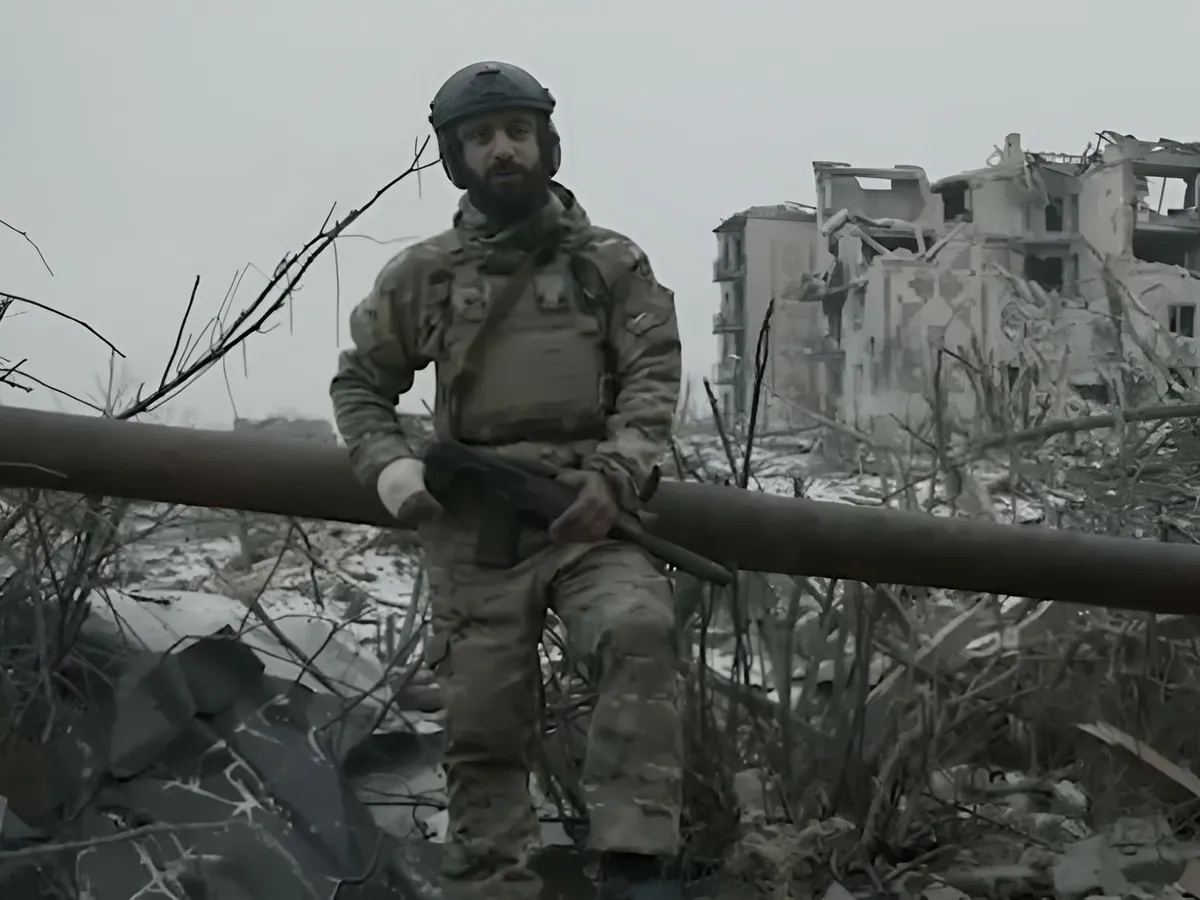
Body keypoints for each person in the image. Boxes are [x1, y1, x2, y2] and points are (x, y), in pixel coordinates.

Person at [329, 61, 685, 900]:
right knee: (483, 727)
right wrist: (391, 469)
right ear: (456, 157)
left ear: (546, 145)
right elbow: (361, 385)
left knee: (637, 629)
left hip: (584, 512)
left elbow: (652, 375)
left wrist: (616, 474)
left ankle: (636, 868)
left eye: (518, 132)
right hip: (475, 528)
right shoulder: (427, 274)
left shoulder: (609, 263)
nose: (503, 150)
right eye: (482, 137)